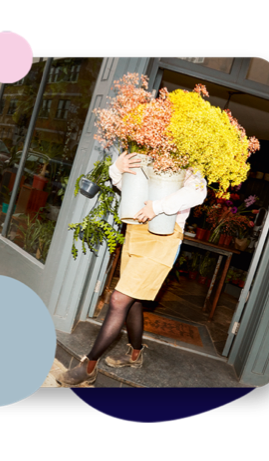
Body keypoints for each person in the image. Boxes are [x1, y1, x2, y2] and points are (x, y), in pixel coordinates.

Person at [56, 150, 207, 387]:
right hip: (135, 231)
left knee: (118, 299)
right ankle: (135, 355)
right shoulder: (146, 151)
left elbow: (198, 191)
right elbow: (129, 188)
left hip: (163, 236)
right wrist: (117, 169)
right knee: (133, 300)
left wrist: (157, 206)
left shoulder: (187, 160)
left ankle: (89, 366)